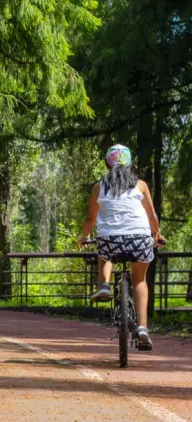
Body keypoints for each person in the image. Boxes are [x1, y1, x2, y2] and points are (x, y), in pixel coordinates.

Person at [78, 144, 164, 349]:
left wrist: (84, 236)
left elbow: (91, 218)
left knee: (103, 246)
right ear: (129, 164)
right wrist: (157, 234)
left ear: (107, 164)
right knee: (139, 281)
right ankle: (143, 327)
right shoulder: (141, 185)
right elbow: (151, 215)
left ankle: (105, 285)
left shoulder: (99, 187)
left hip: (110, 241)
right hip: (139, 239)